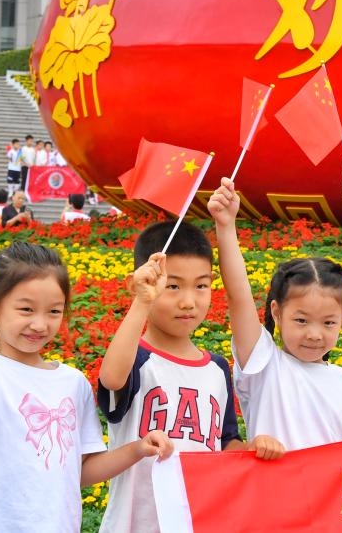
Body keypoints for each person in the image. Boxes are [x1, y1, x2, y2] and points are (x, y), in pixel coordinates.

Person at [0, 242, 173, 532]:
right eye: (26, 309)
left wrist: (138, 448)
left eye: (54, 311)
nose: (39, 324)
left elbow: (81, 471)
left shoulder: (73, 383)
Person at [208, 177, 342, 459]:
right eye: (301, 320)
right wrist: (225, 225)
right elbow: (239, 296)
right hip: (275, 487)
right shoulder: (264, 364)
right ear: (276, 312)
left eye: (328, 322)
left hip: (332, 490)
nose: (314, 334)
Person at [97, 221, 244, 532]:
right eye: (173, 286)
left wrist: (257, 449)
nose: (188, 301)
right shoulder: (137, 360)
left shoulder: (217, 369)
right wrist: (142, 301)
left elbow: (226, 443)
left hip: (197, 522)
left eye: (201, 286)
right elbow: (111, 379)